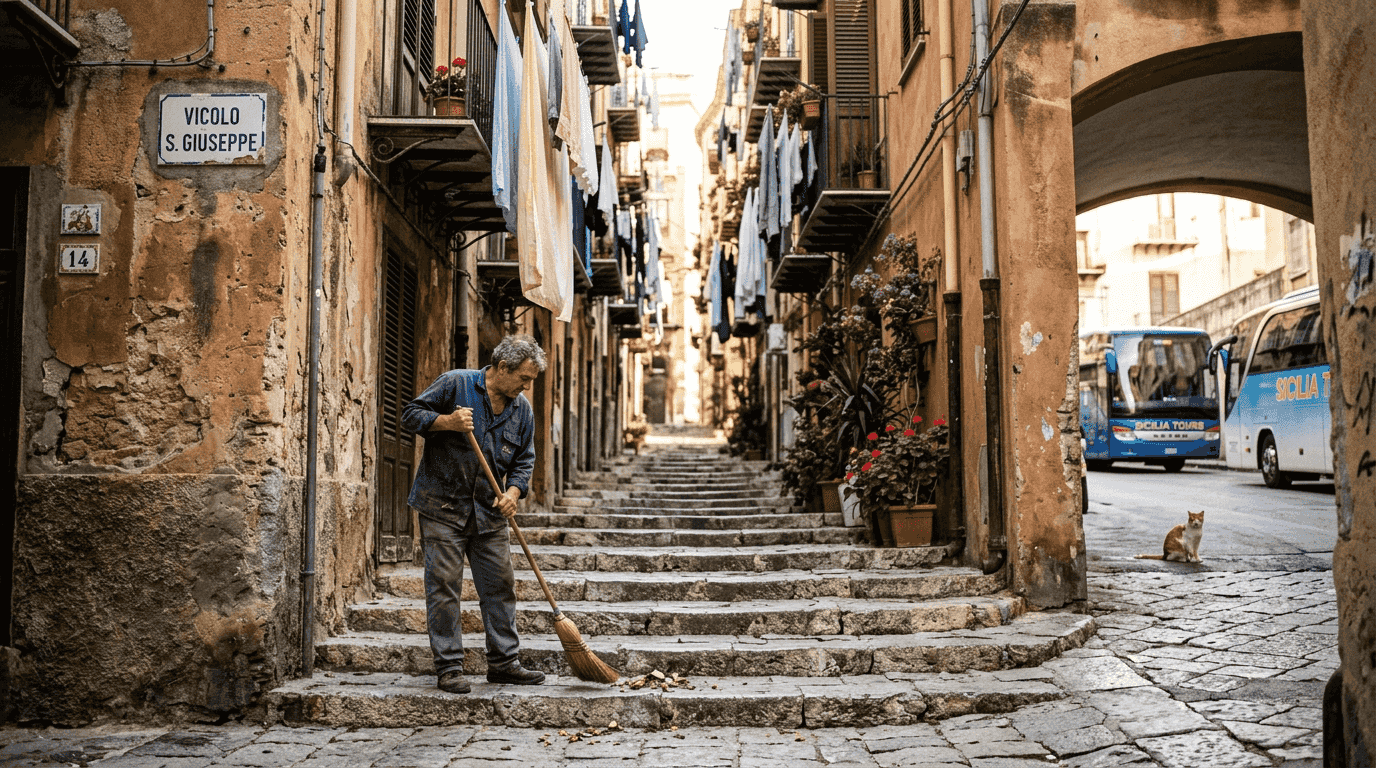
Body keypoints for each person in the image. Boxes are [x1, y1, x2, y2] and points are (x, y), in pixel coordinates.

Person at [401, 334, 548, 694]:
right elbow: (410, 415)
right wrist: (446, 422)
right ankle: (449, 667)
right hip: (442, 506)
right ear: (502, 368)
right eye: (524, 379)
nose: (527, 386)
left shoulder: (521, 409)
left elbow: (524, 460)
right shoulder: (456, 383)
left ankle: (503, 662)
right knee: (444, 587)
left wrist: (513, 492)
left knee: (499, 586)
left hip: (489, 511)